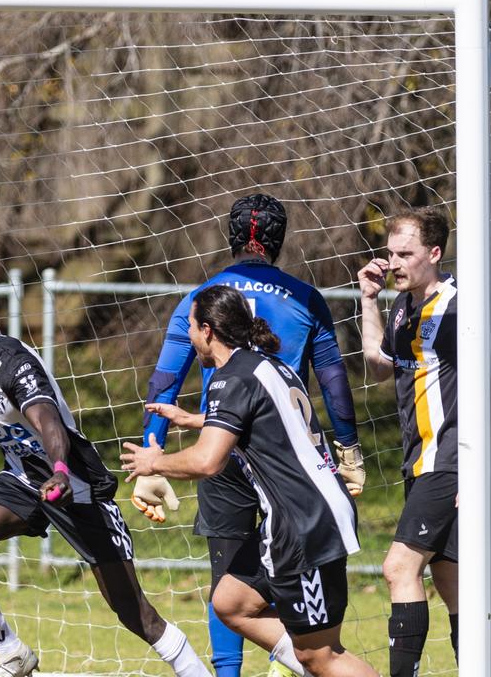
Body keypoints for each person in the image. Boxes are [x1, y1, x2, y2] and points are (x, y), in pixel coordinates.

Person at [0, 279, 208, 677]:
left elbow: (49, 425)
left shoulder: (11, 365)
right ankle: (12, 651)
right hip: (24, 479)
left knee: (136, 615)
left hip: (74, 487)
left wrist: (61, 473)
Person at [135, 193, 363, 677]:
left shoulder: (203, 300)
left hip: (237, 458)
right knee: (232, 596)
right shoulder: (305, 299)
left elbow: (164, 381)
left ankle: (267, 665)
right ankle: (302, 657)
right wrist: (349, 449)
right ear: (279, 242)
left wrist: (152, 452)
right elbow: (334, 382)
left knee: (229, 572)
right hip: (283, 445)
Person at [356, 207, 491, 676]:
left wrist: (480, 467)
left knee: (399, 567)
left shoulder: (464, 305)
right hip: (419, 459)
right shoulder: (402, 305)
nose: (394, 263)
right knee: (451, 578)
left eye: (406, 254)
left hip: (452, 458)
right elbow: (380, 366)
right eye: (390, 253)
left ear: (434, 253)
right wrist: (369, 300)